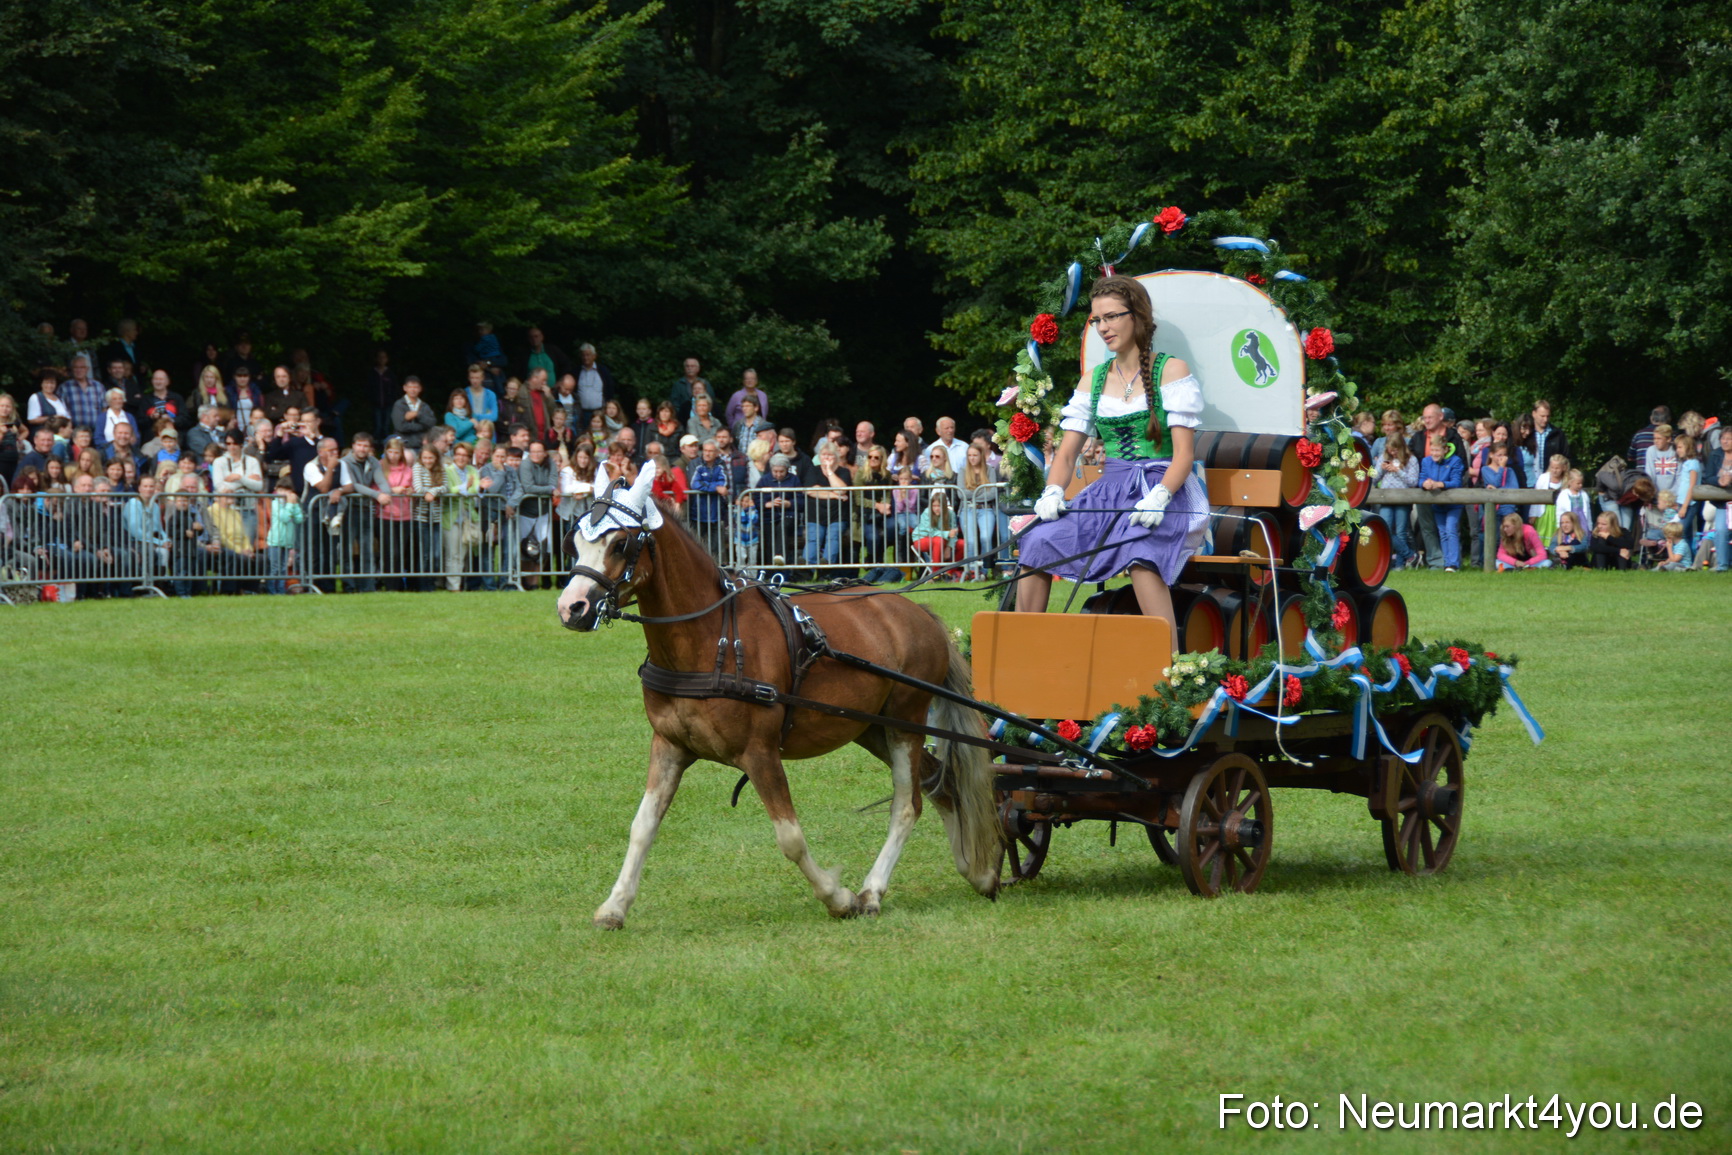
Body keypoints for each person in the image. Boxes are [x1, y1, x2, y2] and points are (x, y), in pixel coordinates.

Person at [1015, 275, 1209, 629]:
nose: (1103, 327)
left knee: (1141, 553)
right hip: (1110, 491)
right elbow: (1067, 452)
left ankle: (1167, 666)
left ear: (1137, 315)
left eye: (1112, 317)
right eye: (1096, 320)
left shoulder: (1171, 370)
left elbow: (1183, 455)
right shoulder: (1094, 379)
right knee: (1037, 541)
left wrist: (1161, 495)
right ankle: (1025, 648)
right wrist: (1053, 490)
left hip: (1166, 490)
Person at [1418, 434, 1465, 571]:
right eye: (1432, 450)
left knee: (1451, 530)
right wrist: (1424, 484)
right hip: (1437, 504)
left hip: (1453, 504)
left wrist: (1439, 484)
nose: (1434, 454)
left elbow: (1457, 481)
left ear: (1445, 450)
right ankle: (1446, 562)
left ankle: (1453, 563)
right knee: (1442, 532)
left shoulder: (1455, 461)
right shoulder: (1426, 461)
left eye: (1437, 450)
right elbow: (1421, 479)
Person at [1374, 428, 1419, 567]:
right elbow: (1374, 479)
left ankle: (1400, 564)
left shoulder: (1411, 459)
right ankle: (1410, 555)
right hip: (1386, 498)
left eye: (1395, 450)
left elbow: (1413, 481)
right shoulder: (1384, 457)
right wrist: (1381, 469)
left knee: (1401, 532)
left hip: (1403, 498)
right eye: (1390, 450)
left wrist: (1398, 470)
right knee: (1385, 529)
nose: (1392, 453)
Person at [801, 444, 851, 569]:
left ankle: (826, 568)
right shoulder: (813, 470)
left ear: (836, 457)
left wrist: (829, 472)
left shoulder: (844, 472)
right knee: (813, 538)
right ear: (819, 456)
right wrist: (834, 495)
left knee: (833, 537)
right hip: (815, 515)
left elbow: (842, 491)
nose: (826, 458)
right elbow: (811, 491)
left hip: (837, 516)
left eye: (830, 455)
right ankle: (807, 570)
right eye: (824, 455)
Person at [960, 443, 1001, 577]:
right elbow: (961, 494)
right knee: (970, 540)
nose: (972, 458)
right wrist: (980, 490)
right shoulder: (962, 471)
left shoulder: (990, 470)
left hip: (986, 509)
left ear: (981, 456)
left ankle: (984, 570)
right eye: (969, 455)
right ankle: (971, 571)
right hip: (967, 509)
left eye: (975, 455)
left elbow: (991, 493)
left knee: (986, 538)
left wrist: (972, 492)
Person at [687, 439, 731, 561]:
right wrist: (715, 487)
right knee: (696, 547)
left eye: (711, 451)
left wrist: (707, 485)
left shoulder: (721, 464)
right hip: (697, 513)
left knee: (716, 549)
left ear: (717, 452)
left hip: (716, 513)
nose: (707, 453)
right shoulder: (695, 464)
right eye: (705, 450)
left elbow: (725, 483)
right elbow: (694, 484)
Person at [757, 453, 803, 569]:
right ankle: (768, 572)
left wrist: (789, 503)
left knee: (782, 527)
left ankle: (780, 556)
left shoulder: (794, 480)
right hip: (769, 516)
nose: (778, 474)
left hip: (789, 516)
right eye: (775, 471)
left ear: (787, 469)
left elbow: (801, 501)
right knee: (768, 539)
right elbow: (756, 498)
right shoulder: (764, 480)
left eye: (781, 471)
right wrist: (767, 504)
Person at [260, 479, 304, 593]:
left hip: (287, 541)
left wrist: (294, 505)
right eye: (281, 490)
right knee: (275, 568)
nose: (283, 493)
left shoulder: (291, 505)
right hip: (275, 541)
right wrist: (290, 504)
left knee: (284, 569)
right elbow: (284, 517)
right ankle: (272, 590)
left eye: (286, 490)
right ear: (276, 490)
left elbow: (299, 519)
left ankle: (281, 590)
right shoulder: (275, 504)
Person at [411, 442, 445, 591]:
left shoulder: (441, 469)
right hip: (421, 517)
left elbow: (446, 486)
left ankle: (432, 581)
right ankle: (424, 586)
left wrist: (433, 492)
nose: (428, 461)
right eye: (425, 458)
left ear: (436, 458)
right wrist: (429, 492)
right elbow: (418, 488)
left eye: (431, 458)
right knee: (424, 553)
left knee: (436, 553)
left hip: (436, 517)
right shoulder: (417, 467)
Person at [912, 488, 965, 580]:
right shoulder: (926, 512)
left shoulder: (950, 513)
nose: (936, 508)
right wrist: (947, 533)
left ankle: (949, 572)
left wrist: (949, 547)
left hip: (942, 540)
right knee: (938, 540)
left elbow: (954, 533)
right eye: (934, 506)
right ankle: (935, 574)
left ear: (944, 506)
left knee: (962, 544)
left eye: (939, 506)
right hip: (921, 539)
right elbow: (930, 531)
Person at [572, 343, 616, 422]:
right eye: (583, 355)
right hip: (581, 413)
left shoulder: (603, 371)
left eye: (588, 355)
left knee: (598, 434)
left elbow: (610, 390)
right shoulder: (577, 371)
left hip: (599, 412)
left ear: (594, 356)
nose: (585, 358)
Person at [668, 357, 710, 424]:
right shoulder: (678, 385)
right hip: (683, 420)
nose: (689, 368)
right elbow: (674, 404)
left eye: (692, 366)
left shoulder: (705, 384)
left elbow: (710, 400)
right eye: (687, 366)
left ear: (698, 369)